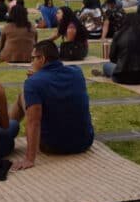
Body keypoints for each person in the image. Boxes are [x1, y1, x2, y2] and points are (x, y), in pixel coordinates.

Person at [9, 41, 94, 171]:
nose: (31, 62)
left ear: (42, 58)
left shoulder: (33, 83)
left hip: (52, 145)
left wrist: (29, 159)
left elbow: (34, 122)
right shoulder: (77, 72)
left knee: (22, 96)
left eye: (33, 58)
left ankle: (5, 131)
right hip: (84, 142)